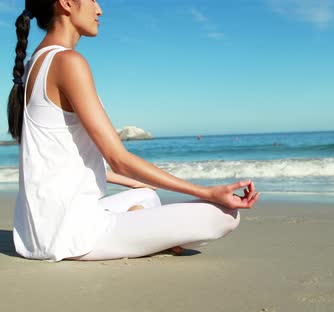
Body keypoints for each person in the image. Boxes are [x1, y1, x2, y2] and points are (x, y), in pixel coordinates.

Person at [7, 0, 260, 262]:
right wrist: (207, 192)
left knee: (145, 194)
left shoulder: (33, 65)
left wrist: (132, 182)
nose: (99, 9)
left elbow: (60, 159)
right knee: (225, 216)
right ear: (66, 3)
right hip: (71, 235)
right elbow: (119, 159)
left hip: (37, 231)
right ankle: (145, 236)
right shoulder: (67, 61)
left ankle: (140, 229)